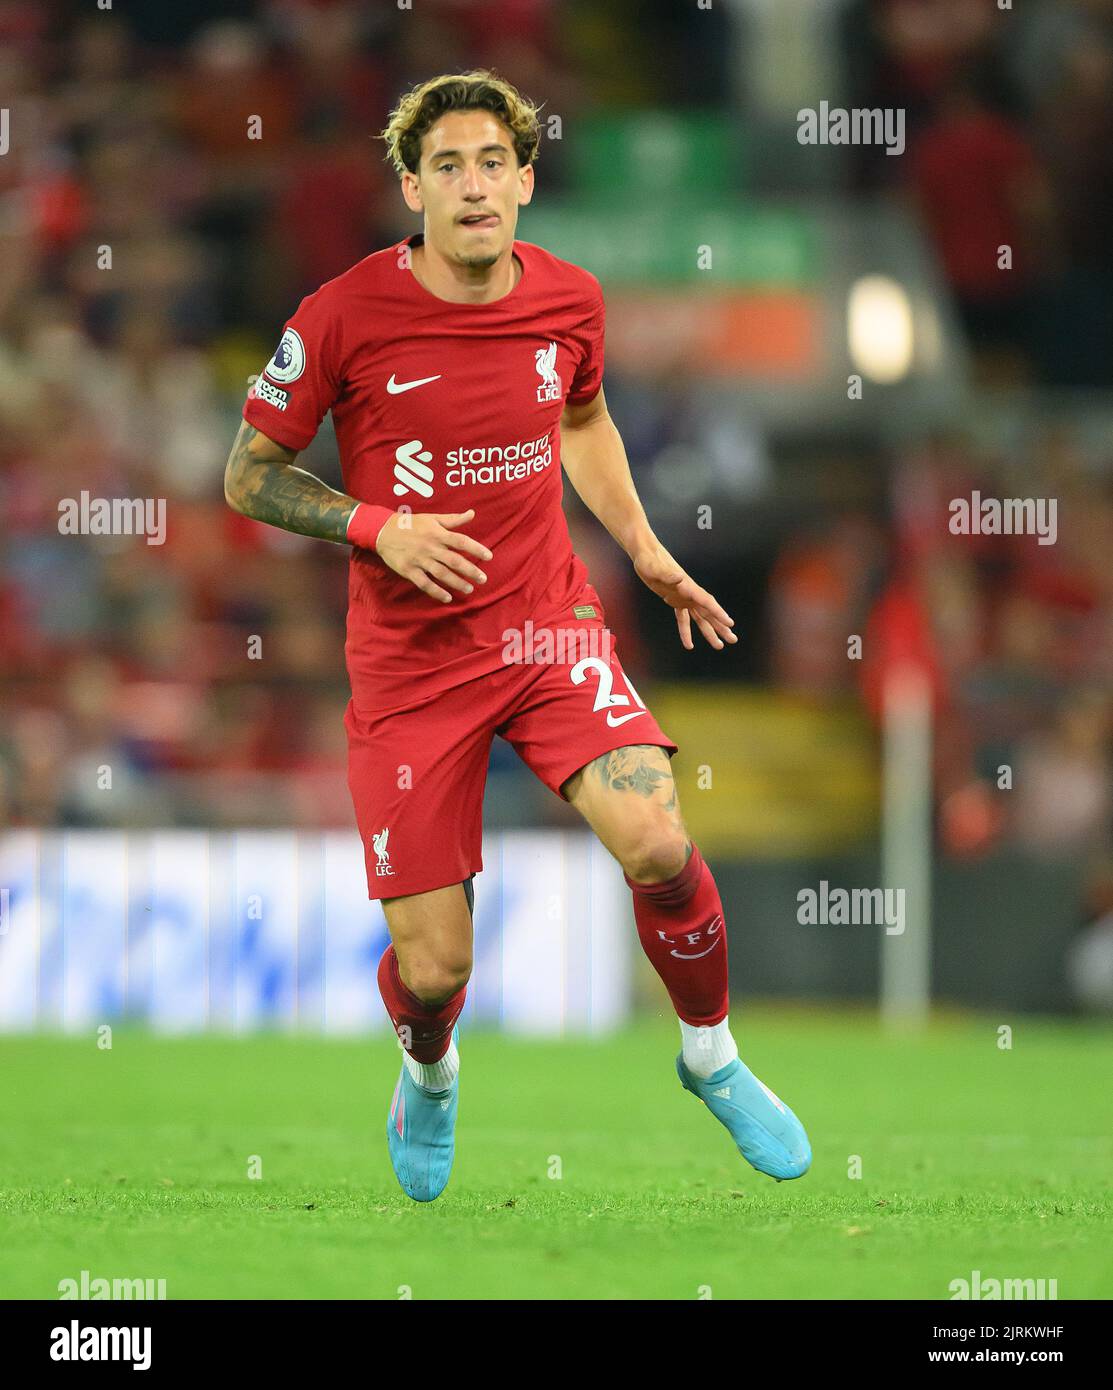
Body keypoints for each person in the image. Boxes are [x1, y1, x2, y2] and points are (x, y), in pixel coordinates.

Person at [224, 70, 810, 1201]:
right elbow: (246, 476)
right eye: (447, 165)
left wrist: (640, 546)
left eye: (494, 161)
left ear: (527, 183)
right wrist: (374, 525)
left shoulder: (573, 302)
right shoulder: (339, 315)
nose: (474, 184)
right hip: (409, 667)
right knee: (437, 967)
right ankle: (430, 1071)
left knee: (654, 836)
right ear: (413, 188)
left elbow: (582, 421)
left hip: (546, 628)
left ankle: (712, 1055)